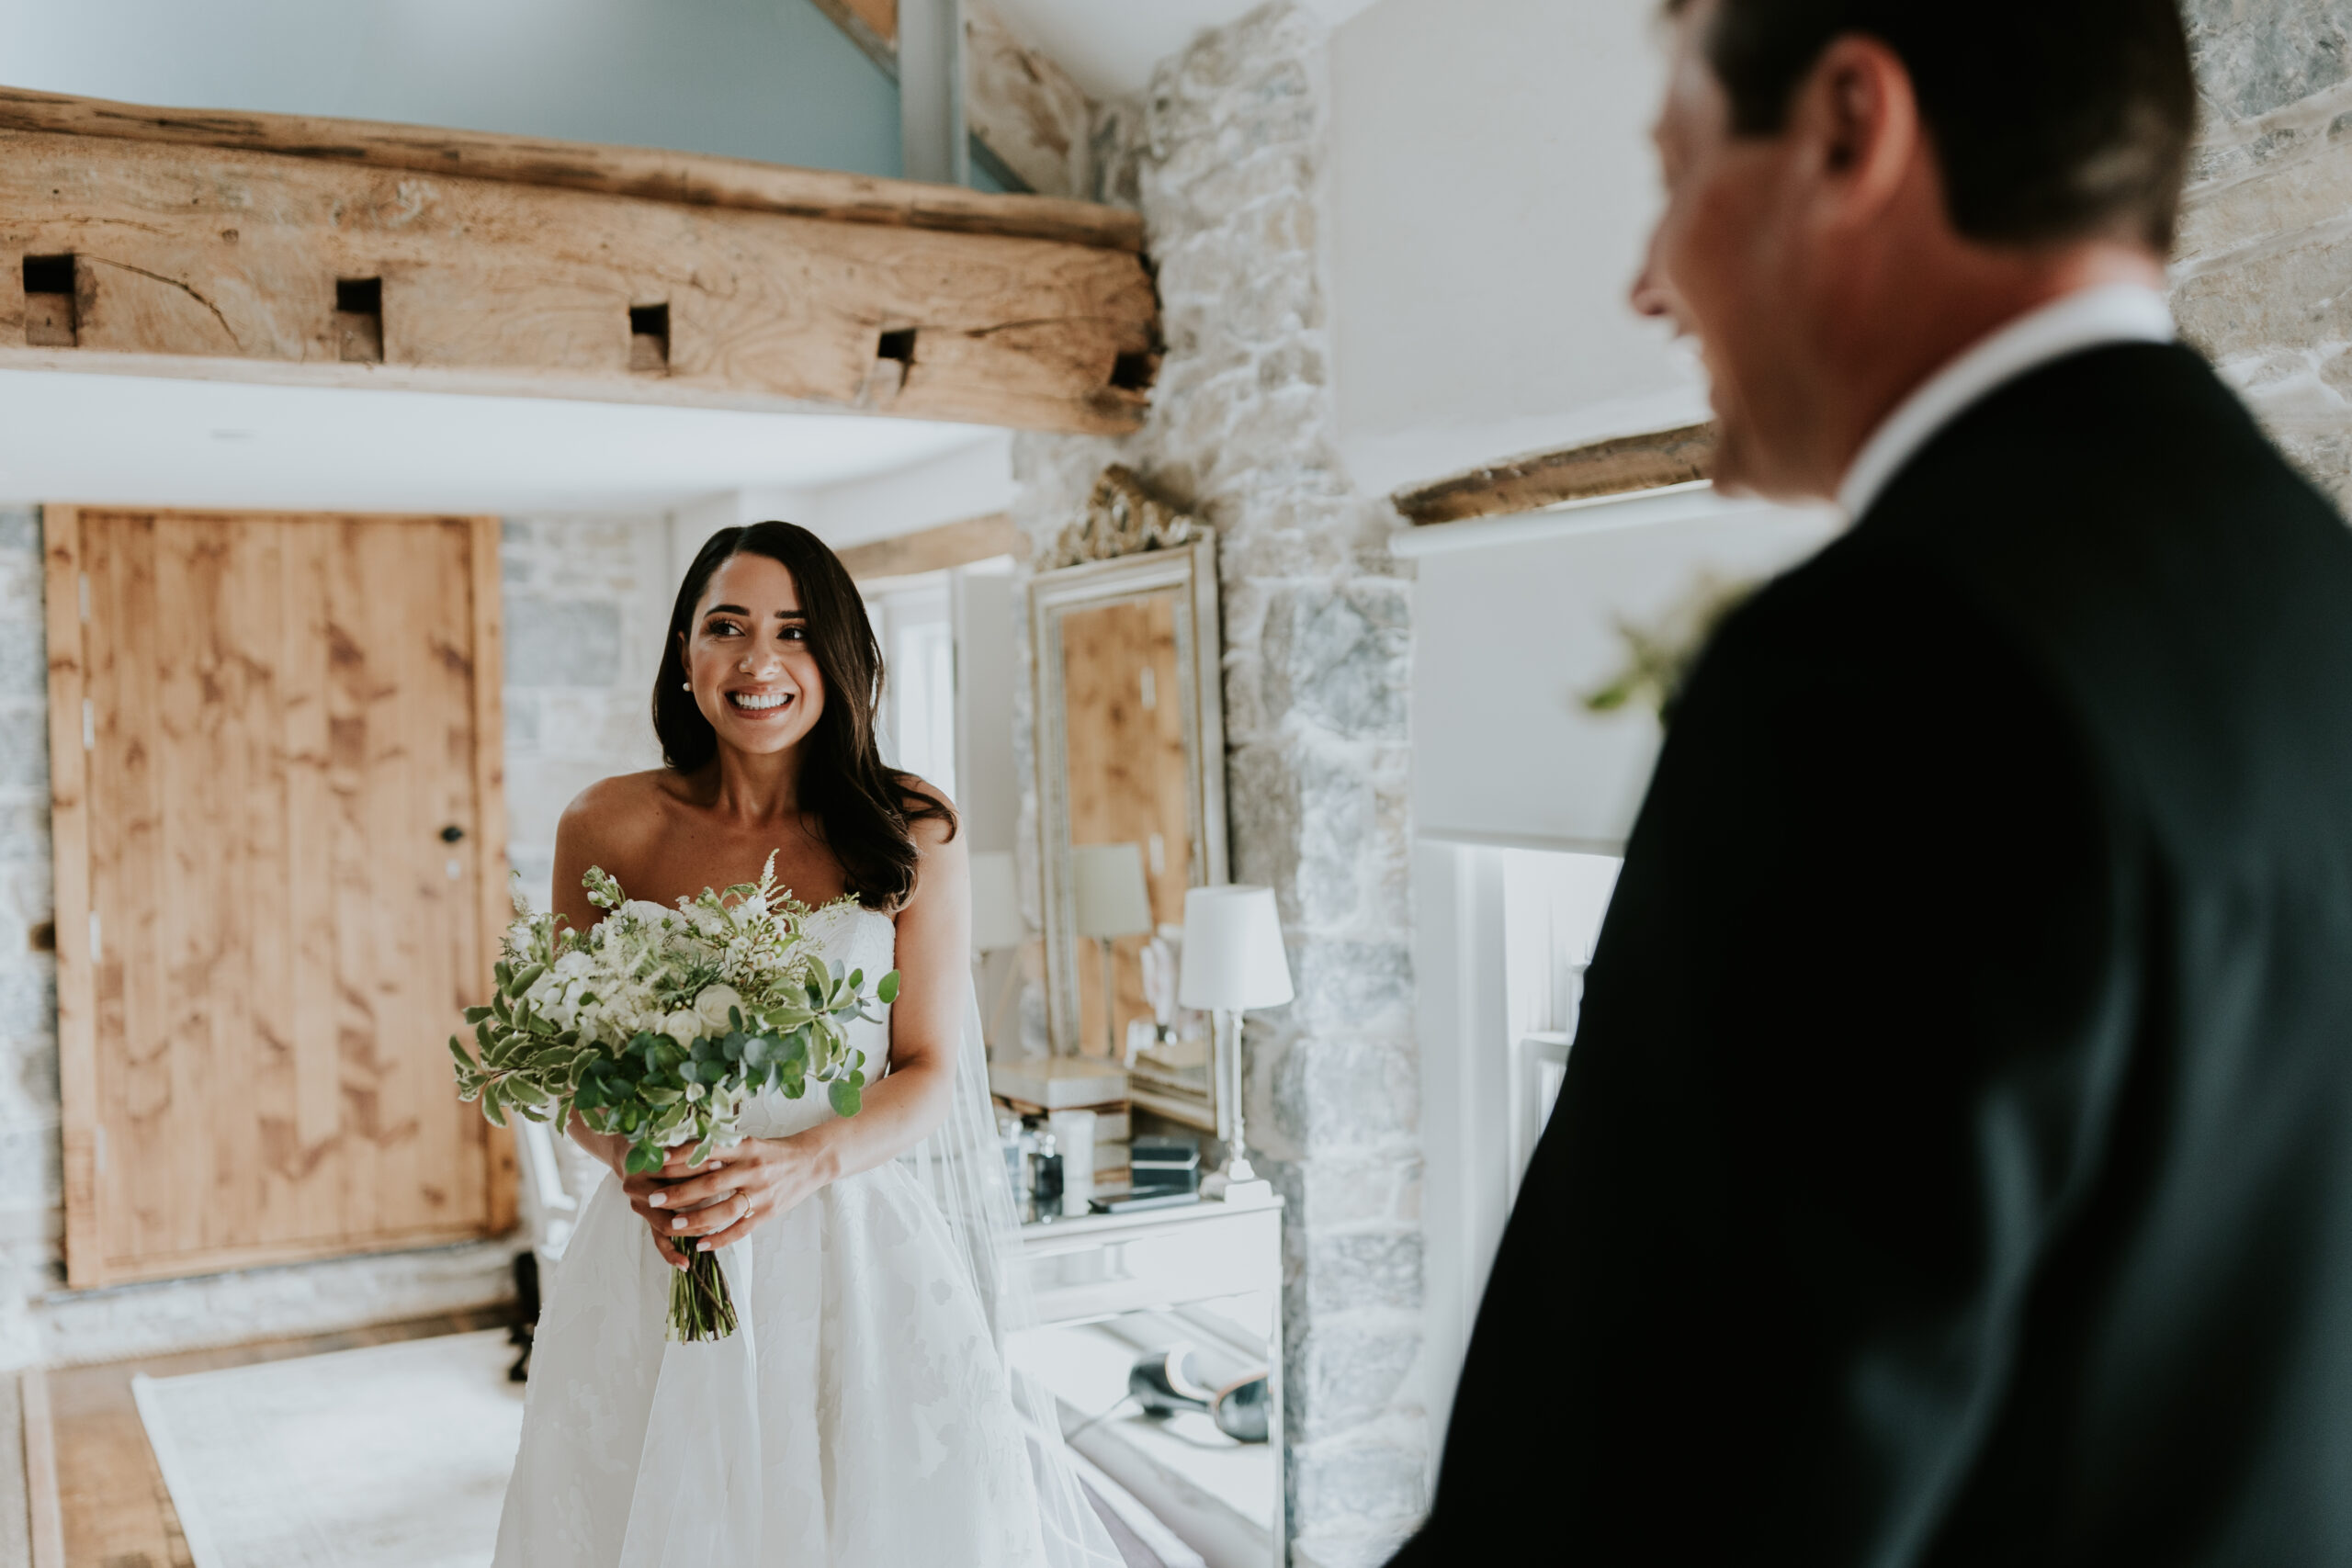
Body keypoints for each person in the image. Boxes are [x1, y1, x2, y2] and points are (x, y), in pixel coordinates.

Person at [1394, 1, 2352, 1562]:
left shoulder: (1884, 671)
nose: (1652, 280)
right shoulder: (2314, 591)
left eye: (1679, 167)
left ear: (1849, 128)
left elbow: (1649, 1494)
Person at [493, 522, 1118, 1566]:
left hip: (851, 1246)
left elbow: (928, 1072)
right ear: (683, 655)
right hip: (665, 1245)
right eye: (724, 627)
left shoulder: (910, 826)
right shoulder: (604, 828)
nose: (757, 662)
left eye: (792, 631)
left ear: (840, 656)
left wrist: (799, 1165)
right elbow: (576, 1074)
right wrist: (632, 1158)